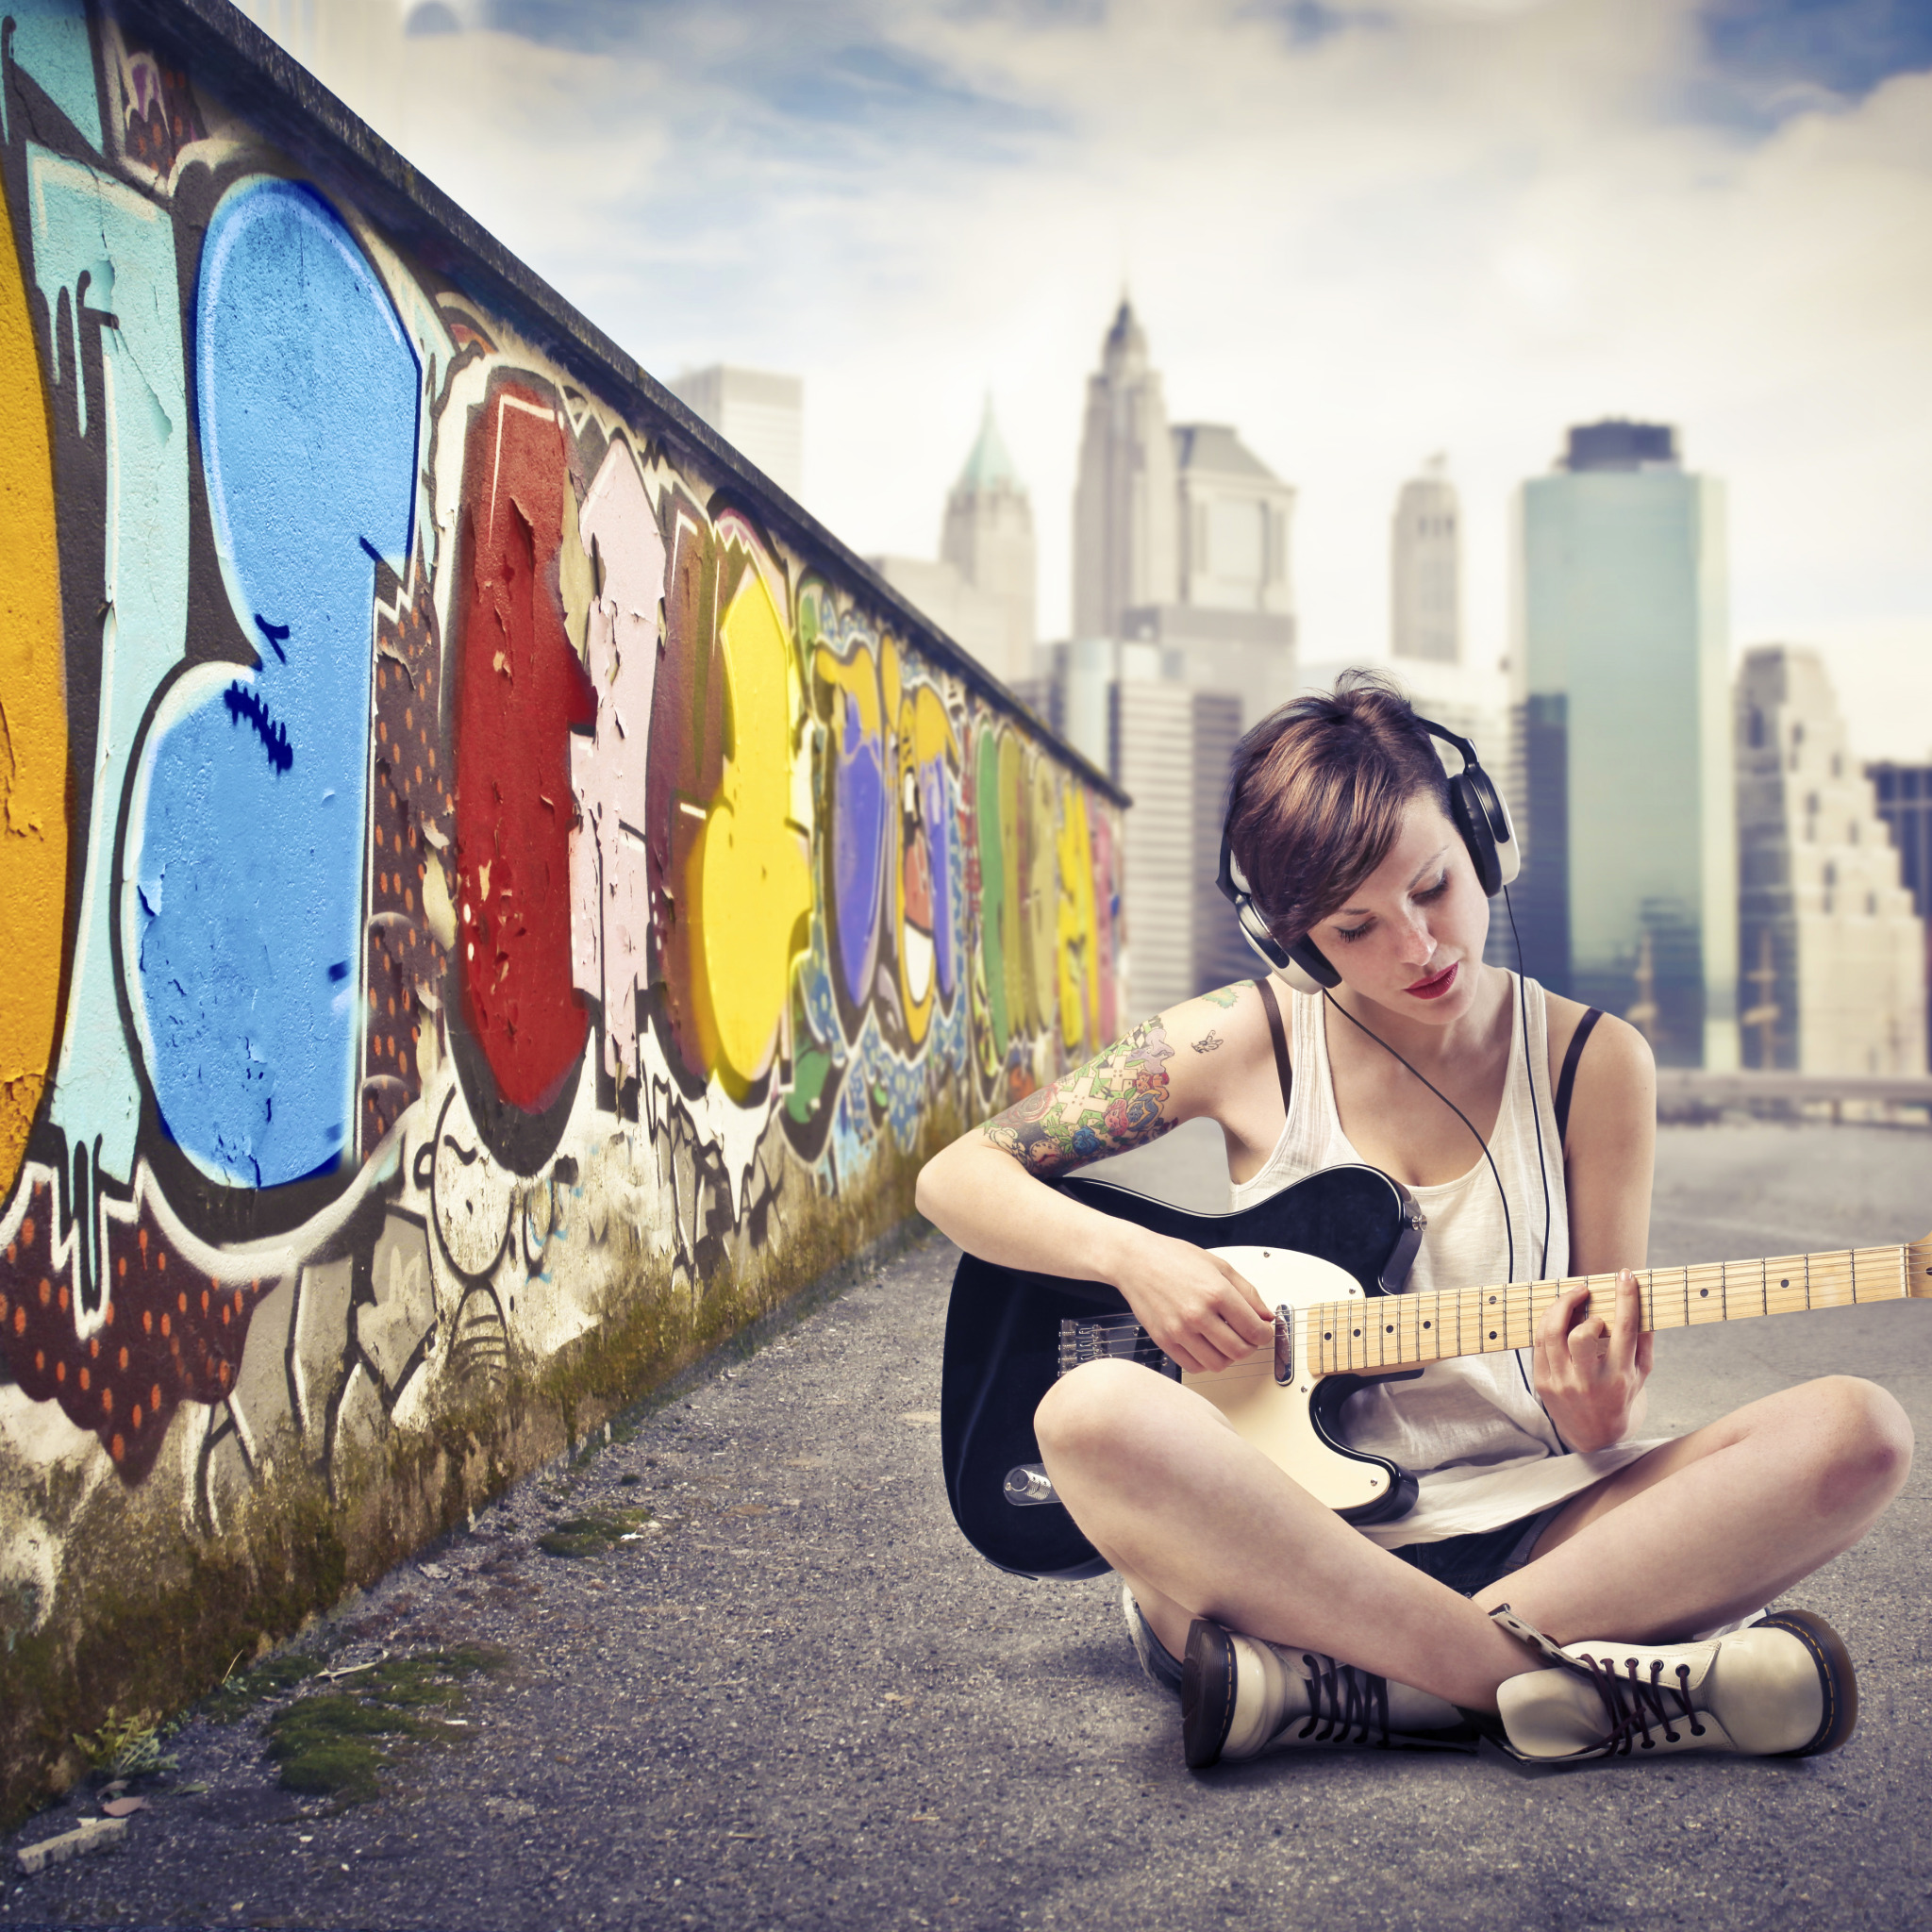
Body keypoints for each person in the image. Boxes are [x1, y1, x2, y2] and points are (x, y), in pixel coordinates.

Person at [915, 674, 1911, 1768]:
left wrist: (1594, 1409)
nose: (1417, 945)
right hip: (1289, 1541)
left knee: (1857, 1430)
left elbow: (1595, 1394)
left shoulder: (1594, 1064)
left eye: (1433, 887)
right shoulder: (1241, 1040)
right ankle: (1575, 1686)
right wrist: (1137, 1259)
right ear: (1290, 939)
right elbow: (958, 1177)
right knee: (1091, 1413)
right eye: (1354, 926)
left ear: (1480, 840)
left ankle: (1352, 1691)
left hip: (1545, 1527)